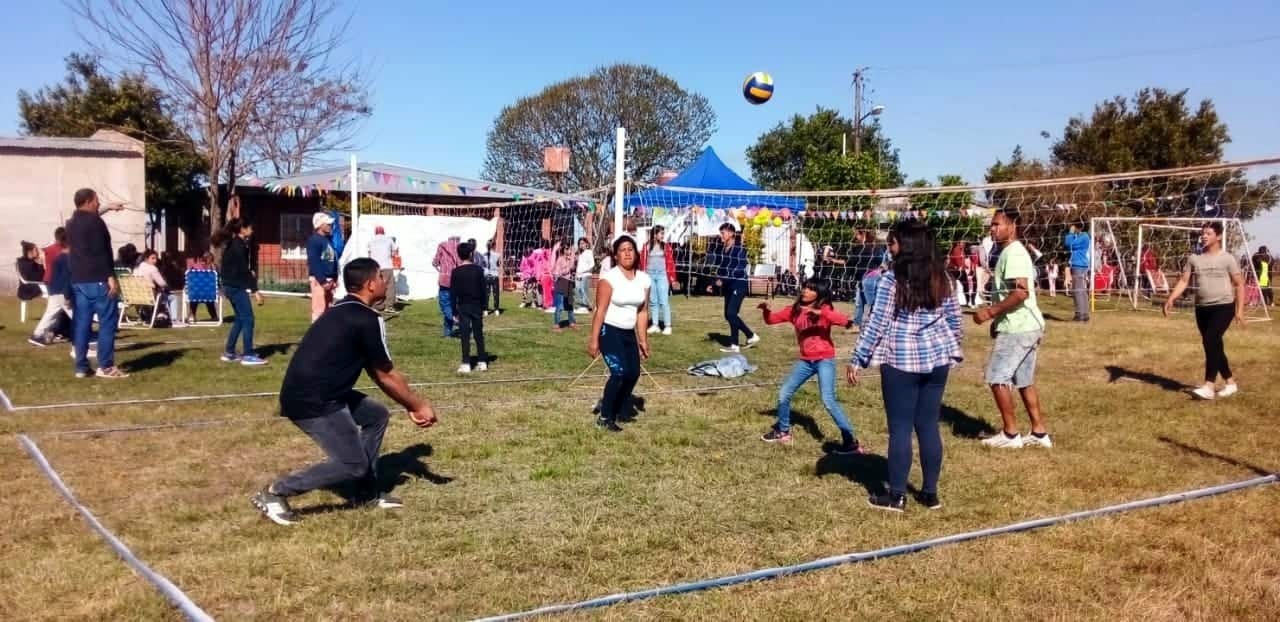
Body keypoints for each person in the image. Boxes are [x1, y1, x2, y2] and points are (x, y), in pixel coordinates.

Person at [251, 258, 438, 526]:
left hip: (323, 392)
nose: (386, 282)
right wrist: (418, 405)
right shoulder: (366, 318)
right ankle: (276, 492)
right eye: (382, 278)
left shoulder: (344, 310)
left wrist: (408, 404)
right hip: (312, 400)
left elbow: (376, 371)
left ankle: (365, 493)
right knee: (353, 464)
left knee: (375, 415)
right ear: (371, 284)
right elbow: (386, 375)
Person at [848, 220, 963, 512]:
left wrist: (858, 357)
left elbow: (877, 323)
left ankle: (896, 496)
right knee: (928, 426)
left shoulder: (891, 280)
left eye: (893, 242)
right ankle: (930, 494)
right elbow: (955, 321)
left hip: (901, 361)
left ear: (906, 245)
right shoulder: (943, 278)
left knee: (900, 428)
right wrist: (951, 347)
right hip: (938, 361)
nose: (890, 248)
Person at [974, 209, 1050, 449]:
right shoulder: (1009, 252)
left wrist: (990, 313)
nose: (992, 229)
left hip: (1020, 327)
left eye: (997, 224)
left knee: (997, 376)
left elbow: (1020, 292)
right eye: (991, 225)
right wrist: (999, 323)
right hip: (1024, 325)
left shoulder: (1014, 252)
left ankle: (1010, 434)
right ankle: (1039, 433)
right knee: (1024, 380)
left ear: (1012, 226)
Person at [758, 278, 861, 454]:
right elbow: (771, 320)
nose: (805, 291)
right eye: (804, 287)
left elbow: (845, 321)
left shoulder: (826, 309)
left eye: (810, 289)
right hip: (805, 361)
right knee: (784, 393)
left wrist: (821, 313)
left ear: (819, 294)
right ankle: (783, 432)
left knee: (828, 401)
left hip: (824, 360)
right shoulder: (794, 310)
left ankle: (851, 443)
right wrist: (766, 311)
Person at [1163, 223, 1246, 400]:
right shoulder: (1194, 258)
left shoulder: (1227, 259)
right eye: (1202, 233)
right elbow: (1184, 281)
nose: (1204, 236)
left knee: (1210, 340)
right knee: (1213, 344)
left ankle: (1209, 386)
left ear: (1219, 236)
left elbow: (1239, 284)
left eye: (1208, 233)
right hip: (1202, 308)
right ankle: (1230, 383)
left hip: (1223, 306)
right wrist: (1171, 298)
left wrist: (1239, 311)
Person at [587, 236, 652, 432]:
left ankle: (617, 407)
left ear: (636, 253)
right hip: (610, 329)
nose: (627, 253)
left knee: (633, 373)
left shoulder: (644, 279)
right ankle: (605, 417)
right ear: (616, 255)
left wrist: (643, 340)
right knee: (619, 373)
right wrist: (594, 340)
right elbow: (600, 310)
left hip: (628, 332)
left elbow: (642, 311)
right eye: (622, 250)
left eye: (630, 249)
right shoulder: (609, 278)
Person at [67, 188, 126, 378]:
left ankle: (81, 367)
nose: (98, 203)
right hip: (99, 279)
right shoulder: (96, 223)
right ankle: (106, 366)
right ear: (88, 201)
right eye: (97, 200)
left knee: (82, 324)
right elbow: (102, 252)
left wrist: (109, 208)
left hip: (79, 281)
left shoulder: (71, 222)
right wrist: (110, 277)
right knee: (107, 323)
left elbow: (87, 219)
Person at [218, 219, 267, 366]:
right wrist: (255, 291)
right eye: (250, 228)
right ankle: (248, 355)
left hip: (230, 285)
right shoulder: (238, 246)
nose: (252, 231)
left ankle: (230, 352)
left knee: (240, 318)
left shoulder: (235, 244)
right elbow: (245, 271)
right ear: (243, 229)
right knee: (248, 319)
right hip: (235, 287)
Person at [709, 222, 757, 352]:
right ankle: (742, 340)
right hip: (728, 285)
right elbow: (721, 269)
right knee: (729, 314)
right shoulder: (723, 249)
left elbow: (739, 269)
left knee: (731, 313)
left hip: (739, 284)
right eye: (721, 233)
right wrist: (714, 283)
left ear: (731, 233)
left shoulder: (740, 249)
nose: (721, 236)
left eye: (723, 233)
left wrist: (723, 280)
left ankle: (743, 339)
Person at [449, 241, 488, 373]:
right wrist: (484, 307)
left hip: (463, 306)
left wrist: (454, 310)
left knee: (465, 335)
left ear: (459, 255)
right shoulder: (478, 270)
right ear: (471, 254)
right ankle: (482, 361)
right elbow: (484, 290)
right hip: (476, 305)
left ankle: (466, 362)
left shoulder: (455, 272)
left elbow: (453, 293)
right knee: (478, 334)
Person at [29, 239, 73, 347]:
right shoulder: (69, 259)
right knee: (77, 315)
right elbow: (67, 279)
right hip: (62, 292)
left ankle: (37, 335)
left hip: (53, 290)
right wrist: (67, 296)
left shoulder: (57, 258)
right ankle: (86, 335)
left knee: (50, 314)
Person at [640, 225, 677, 335]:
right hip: (650, 276)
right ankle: (655, 324)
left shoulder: (666, 247)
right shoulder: (646, 247)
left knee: (664, 301)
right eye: (661, 233)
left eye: (663, 233)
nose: (662, 236)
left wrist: (673, 278)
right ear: (655, 234)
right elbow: (642, 262)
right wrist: (642, 275)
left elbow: (671, 263)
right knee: (653, 301)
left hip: (662, 276)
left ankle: (667, 325)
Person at [307, 212, 338, 322]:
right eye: (328, 224)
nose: (330, 226)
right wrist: (322, 280)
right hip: (319, 279)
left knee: (328, 309)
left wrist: (334, 278)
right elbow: (314, 261)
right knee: (319, 309)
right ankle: (316, 334)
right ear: (320, 225)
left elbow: (332, 260)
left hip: (329, 279)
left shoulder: (327, 240)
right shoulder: (314, 240)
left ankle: (326, 333)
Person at [133, 249, 178, 323]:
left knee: (162, 296)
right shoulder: (152, 268)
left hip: (137, 295)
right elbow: (162, 283)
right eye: (152, 258)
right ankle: (174, 319)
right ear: (146, 258)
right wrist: (168, 287)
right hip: (150, 296)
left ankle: (154, 316)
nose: (155, 260)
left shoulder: (136, 269)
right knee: (172, 297)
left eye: (156, 258)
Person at [432, 235, 462, 337]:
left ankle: (455, 320)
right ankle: (447, 333)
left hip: (445, 280)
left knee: (444, 304)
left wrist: (438, 265)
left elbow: (435, 262)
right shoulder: (461, 247)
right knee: (454, 306)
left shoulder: (442, 245)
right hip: (457, 281)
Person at [367, 226, 399, 315]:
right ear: (383, 232)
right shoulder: (389, 240)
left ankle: (377, 305)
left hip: (374, 266)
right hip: (387, 266)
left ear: (375, 232)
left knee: (376, 286)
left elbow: (369, 254)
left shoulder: (371, 240)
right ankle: (389, 306)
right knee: (389, 286)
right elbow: (395, 252)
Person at [1065, 224, 1092, 322]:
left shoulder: (1084, 236)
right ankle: (1084, 314)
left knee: (1077, 290)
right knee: (1081, 290)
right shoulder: (1081, 236)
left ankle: (1080, 314)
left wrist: (1070, 233)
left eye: (1074, 226)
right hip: (1079, 265)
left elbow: (1069, 244)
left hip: (1079, 265)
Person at [185, 251, 219, 324]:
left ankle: (191, 315)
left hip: (195, 294)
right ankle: (214, 316)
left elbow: (190, 279)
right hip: (209, 294)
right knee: (209, 300)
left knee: (194, 299)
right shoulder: (213, 269)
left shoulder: (195, 267)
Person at [552, 243, 578, 331]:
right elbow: (557, 273)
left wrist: (573, 259)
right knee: (559, 306)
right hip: (561, 283)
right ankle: (556, 325)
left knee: (570, 304)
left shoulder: (571, 259)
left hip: (569, 283)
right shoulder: (560, 259)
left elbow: (573, 267)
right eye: (567, 249)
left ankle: (572, 322)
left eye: (570, 249)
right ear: (563, 250)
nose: (569, 251)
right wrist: (569, 266)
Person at [481, 238, 502, 316]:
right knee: (496, 293)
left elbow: (483, 265)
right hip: (494, 275)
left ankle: (486, 309)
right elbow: (499, 264)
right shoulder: (498, 255)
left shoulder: (483, 255)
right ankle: (496, 309)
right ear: (494, 246)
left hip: (486, 276)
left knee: (486, 293)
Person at [575, 237, 595, 315]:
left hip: (586, 275)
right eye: (580, 244)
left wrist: (583, 271)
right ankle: (582, 306)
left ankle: (585, 306)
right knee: (578, 289)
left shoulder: (589, 252)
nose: (581, 245)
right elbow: (579, 265)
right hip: (579, 275)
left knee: (584, 289)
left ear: (586, 244)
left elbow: (592, 264)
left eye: (583, 243)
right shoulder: (581, 254)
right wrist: (577, 273)